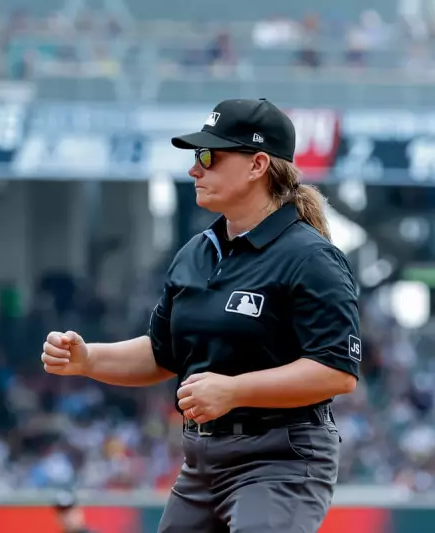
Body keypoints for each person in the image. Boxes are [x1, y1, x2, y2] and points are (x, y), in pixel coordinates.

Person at [41, 98, 360, 533]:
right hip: (203, 461)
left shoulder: (311, 257)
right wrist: (87, 359)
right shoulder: (197, 252)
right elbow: (162, 353)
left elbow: (336, 371)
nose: (195, 169)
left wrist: (234, 390)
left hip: (280, 458)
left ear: (258, 165)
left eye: (209, 156)